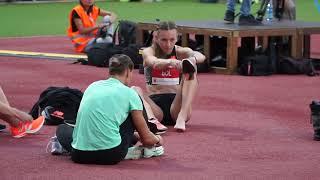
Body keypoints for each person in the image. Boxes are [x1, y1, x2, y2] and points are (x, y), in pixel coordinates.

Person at [48, 54, 164, 165]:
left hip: (79, 155)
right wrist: (157, 139)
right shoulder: (130, 93)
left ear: (110, 71)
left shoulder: (92, 86)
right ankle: (146, 150)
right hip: (111, 155)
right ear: (128, 71)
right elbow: (147, 139)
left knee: (63, 129)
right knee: (133, 108)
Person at [141, 21, 206, 132]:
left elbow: (201, 56)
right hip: (156, 109)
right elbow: (153, 62)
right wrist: (172, 62)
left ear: (177, 38)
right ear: (156, 38)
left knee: (191, 71)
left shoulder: (181, 51)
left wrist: (191, 60)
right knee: (135, 90)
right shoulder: (149, 51)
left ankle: (182, 116)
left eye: (172, 40)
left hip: (177, 106)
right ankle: (152, 120)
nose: (168, 44)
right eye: (164, 40)